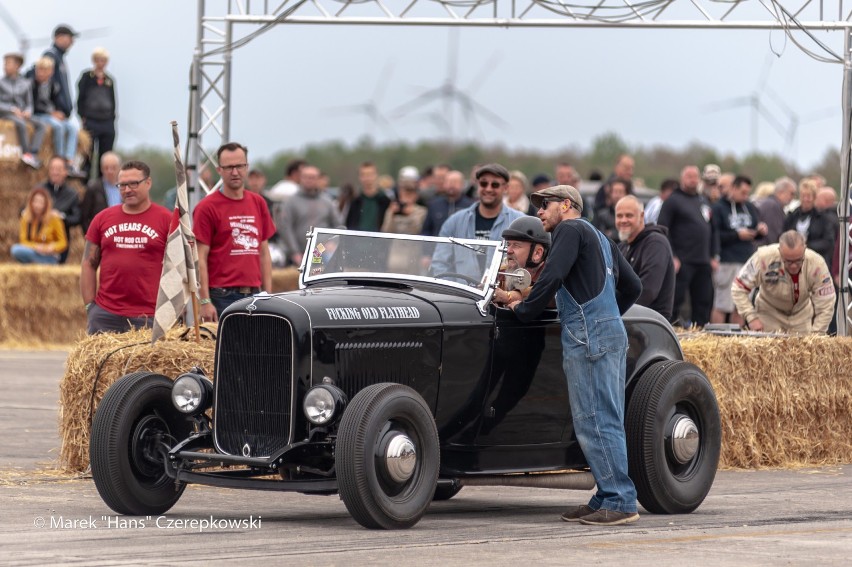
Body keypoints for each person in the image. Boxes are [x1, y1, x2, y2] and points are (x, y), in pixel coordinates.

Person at [508, 184, 642, 526]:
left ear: (566, 205)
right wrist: (607, 314)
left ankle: (620, 500)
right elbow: (634, 286)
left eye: (545, 205)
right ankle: (605, 495)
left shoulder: (569, 229)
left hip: (589, 337)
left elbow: (551, 276)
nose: (539, 212)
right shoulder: (601, 237)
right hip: (609, 331)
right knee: (606, 416)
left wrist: (524, 308)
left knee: (593, 419)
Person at [80, 160, 171, 334]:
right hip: (106, 315)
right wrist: (90, 307)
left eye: (134, 184)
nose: (128, 190)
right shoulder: (102, 219)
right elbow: (88, 263)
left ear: (148, 183)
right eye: (122, 185)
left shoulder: (167, 220)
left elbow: (179, 268)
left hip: (149, 316)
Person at [194, 142, 276, 321]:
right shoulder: (206, 207)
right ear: (219, 170)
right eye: (229, 167)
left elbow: (263, 252)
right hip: (222, 296)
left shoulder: (258, 202)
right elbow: (200, 258)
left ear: (246, 167)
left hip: (256, 295)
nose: (235, 172)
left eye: (239, 166)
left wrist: (268, 294)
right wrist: (205, 300)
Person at [732, 230, 835, 334]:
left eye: (799, 260)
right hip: (769, 314)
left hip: (801, 316)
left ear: (804, 249)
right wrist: (751, 317)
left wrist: (817, 332)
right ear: (780, 251)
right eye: (788, 261)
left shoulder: (816, 264)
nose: (794, 266)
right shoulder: (763, 258)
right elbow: (738, 288)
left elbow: (826, 303)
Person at [431, 163, 525, 277]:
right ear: (477, 185)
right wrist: (455, 290)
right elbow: (439, 264)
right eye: (484, 183)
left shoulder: (519, 222)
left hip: (501, 293)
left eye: (495, 185)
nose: (488, 189)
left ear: (505, 188)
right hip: (462, 293)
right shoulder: (454, 222)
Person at [657, 165, 715, 327]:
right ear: (682, 179)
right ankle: (672, 329)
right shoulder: (673, 200)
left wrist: (714, 255)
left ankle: (701, 331)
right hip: (682, 260)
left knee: (704, 299)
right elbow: (662, 229)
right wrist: (672, 255)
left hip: (703, 260)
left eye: (696, 176)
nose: (693, 180)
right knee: (676, 299)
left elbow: (713, 229)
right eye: (689, 176)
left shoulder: (703, 200)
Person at [710, 175, 767, 325]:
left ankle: (736, 340)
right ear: (733, 188)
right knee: (723, 303)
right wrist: (736, 235)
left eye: (748, 192)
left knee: (741, 305)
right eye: (742, 192)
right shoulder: (718, 208)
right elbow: (714, 234)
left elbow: (754, 230)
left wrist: (760, 231)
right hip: (727, 260)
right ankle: (717, 337)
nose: (745, 196)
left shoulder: (749, 207)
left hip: (746, 260)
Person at [615, 195, 676, 321]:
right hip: (627, 319)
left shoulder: (656, 243)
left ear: (642, 216)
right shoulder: (622, 247)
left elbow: (648, 291)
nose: (623, 220)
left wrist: (613, 312)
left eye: (629, 215)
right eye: (619, 216)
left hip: (650, 322)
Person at [279, 164, 342, 266]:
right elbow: (285, 228)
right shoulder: (290, 202)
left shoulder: (327, 202)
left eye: (312, 177)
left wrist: (333, 243)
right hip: (299, 255)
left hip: (323, 253)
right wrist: (295, 252)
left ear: (318, 179)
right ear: (301, 178)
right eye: (306, 177)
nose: (309, 180)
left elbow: (339, 225)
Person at [31, 56, 81, 176]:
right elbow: (33, 105)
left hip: (51, 115)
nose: (41, 73)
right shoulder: (32, 84)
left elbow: (57, 102)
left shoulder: (53, 85)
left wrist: (60, 112)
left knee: (72, 127)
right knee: (58, 126)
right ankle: (60, 158)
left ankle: (69, 160)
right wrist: (51, 113)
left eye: (45, 70)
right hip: (39, 115)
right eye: (39, 69)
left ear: (51, 71)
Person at [491, 215, 551, 306]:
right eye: (508, 244)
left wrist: (508, 296)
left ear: (537, 253)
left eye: (516, 245)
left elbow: (543, 294)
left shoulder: (552, 275)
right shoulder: (502, 271)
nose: (508, 250)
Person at [76, 47, 117, 178]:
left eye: (103, 60)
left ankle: (103, 183)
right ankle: (85, 182)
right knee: (88, 154)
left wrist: (112, 118)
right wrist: (82, 116)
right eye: (98, 60)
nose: (101, 63)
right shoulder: (87, 77)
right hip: (91, 120)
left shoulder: (109, 80)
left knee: (105, 155)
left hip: (107, 121)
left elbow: (113, 100)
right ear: (94, 61)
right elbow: (80, 98)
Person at [1, 52, 45, 168]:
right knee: (20, 124)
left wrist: (28, 111)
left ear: (17, 66)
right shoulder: (1, 83)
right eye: (4, 63)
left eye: (8, 63)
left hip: (22, 114)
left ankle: (33, 152)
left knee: (41, 124)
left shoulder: (25, 83)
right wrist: (11, 109)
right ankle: (26, 153)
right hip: (6, 113)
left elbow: (29, 103)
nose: (5, 66)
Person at [37, 156, 81, 263]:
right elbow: (23, 211)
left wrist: (61, 217)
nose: (55, 172)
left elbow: (77, 218)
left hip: (60, 241)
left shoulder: (72, 194)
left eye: (58, 169)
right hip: (38, 239)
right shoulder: (39, 189)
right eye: (52, 169)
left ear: (66, 172)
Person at [783, 179, 834, 268]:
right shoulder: (792, 216)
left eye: (809, 196)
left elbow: (828, 242)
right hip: (793, 263)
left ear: (814, 197)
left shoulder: (823, 218)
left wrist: (807, 246)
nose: (806, 199)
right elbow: (782, 235)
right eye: (803, 196)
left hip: (815, 262)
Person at [380, 178, 427, 273]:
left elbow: (417, 230)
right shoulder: (393, 210)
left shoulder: (421, 211)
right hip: (395, 257)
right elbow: (385, 231)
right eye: (404, 193)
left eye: (410, 194)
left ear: (416, 196)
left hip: (413, 257)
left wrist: (410, 214)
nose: (407, 197)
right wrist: (392, 215)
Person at [11, 186, 67, 264]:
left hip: (49, 255)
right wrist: (36, 246)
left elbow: (63, 243)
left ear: (46, 204)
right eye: (35, 201)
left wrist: (50, 247)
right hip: (33, 251)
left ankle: (40, 263)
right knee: (16, 249)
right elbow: (23, 241)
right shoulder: (25, 218)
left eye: (41, 202)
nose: (37, 205)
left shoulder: (54, 218)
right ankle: (36, 263)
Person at [39, 25, 76, 126]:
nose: (72, 42)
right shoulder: (50, 56)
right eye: (70, 38)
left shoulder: (60, 58)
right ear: (58, 37)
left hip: (62, 114)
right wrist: (51, 110)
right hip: (54, 113)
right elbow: (44, 86)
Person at [421, 169, 474, 237]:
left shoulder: (470, 206)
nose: (451, 185)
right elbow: (426, 231)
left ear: (462, 184)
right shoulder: (434, 205)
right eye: (448, 182)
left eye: (455, 182)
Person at [80, 151, 121, 234]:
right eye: (106, 168)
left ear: (119, 168)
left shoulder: (126, 188)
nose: (110, 171)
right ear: (101, 169)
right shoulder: (93, 188)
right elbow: (84, 217)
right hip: (101, 235)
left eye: (113, 168)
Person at [346, 161, 391, 232]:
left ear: (376, 175)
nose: (367, 178)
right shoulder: (355, 202)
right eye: (363, 175)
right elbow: (349, 225)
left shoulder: (386, 201)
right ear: (359, 177)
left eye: (370, 174)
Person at [754, 177, 796, 246]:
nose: (792, 197)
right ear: (781, 192)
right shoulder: (772, 206)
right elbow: (772, 235)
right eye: (791, 193)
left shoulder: (771, 203)